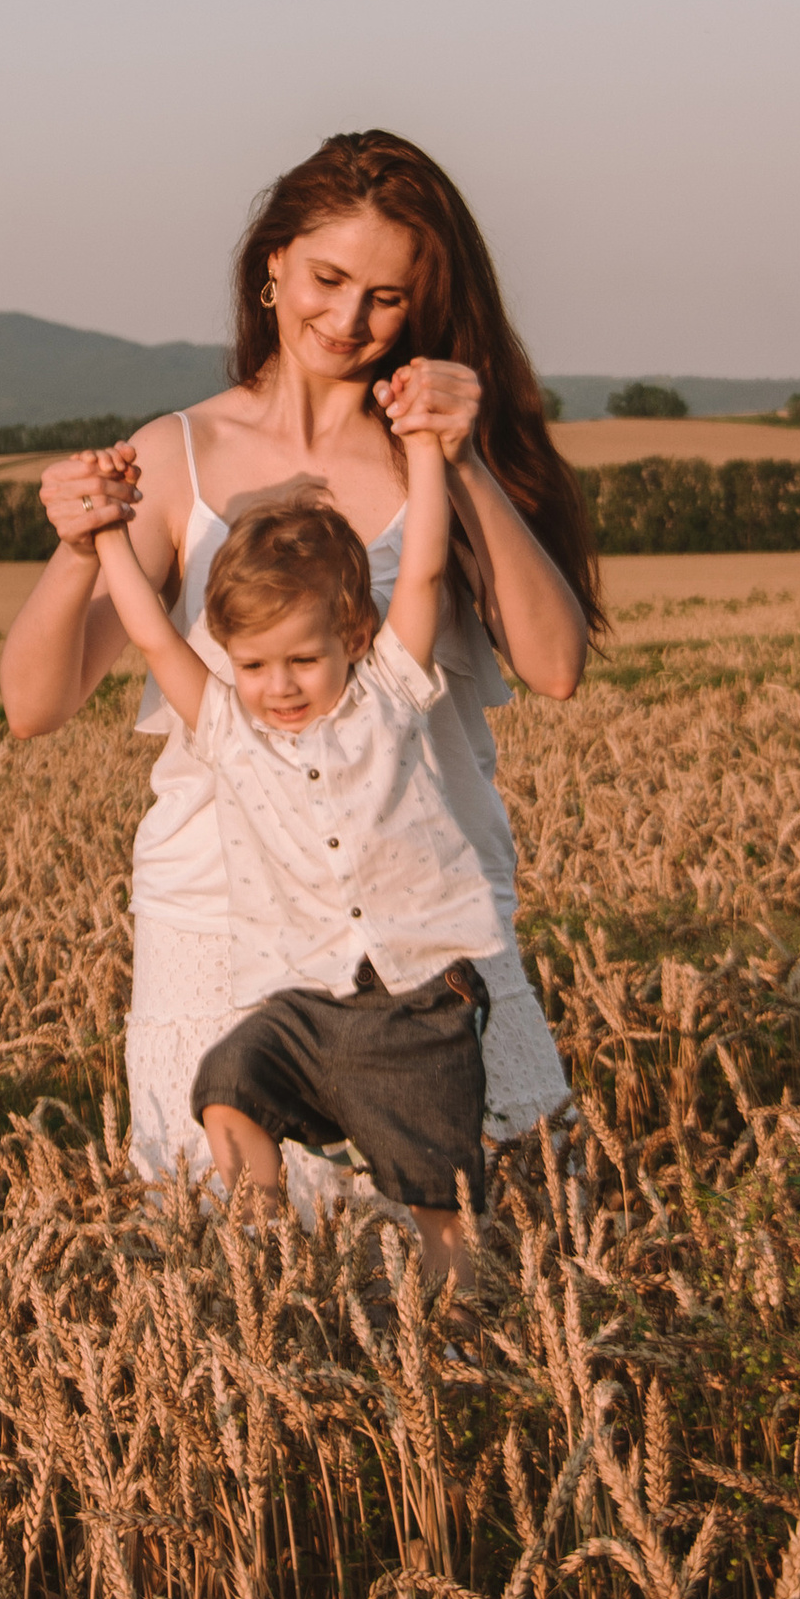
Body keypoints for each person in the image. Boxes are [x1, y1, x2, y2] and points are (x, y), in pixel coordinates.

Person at [0, 128, 599, 1183]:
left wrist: (462, 466)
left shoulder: (442, 447)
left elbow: (553, 665)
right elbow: (35, 703)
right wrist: (71, 547)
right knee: (244, 1266)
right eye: (327, 277)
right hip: (225, 919)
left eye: (386, 297)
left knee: (469, 1245)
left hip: (421, 909)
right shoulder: (176, 455)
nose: (348, 319)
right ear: (271, 264)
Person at [87, 387, 503, 1281]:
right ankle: (268, 1267)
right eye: (253, 665)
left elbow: (423, 568)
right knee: (226, 1088)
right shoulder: (230, 729)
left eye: (303, 660)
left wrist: (426, 451)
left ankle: (466, 1334)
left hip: (419, 993)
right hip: (305, 995)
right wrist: (109, 537)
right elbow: (157, 640)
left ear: (354, 635)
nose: (278, 686)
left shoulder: (390, 688)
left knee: (442, 1209)